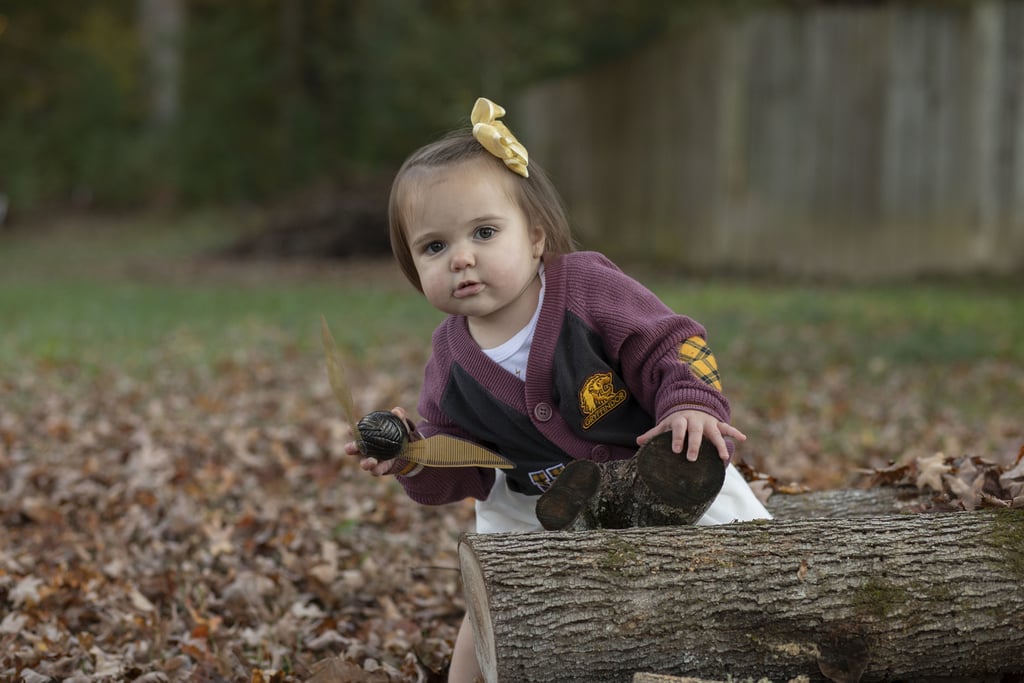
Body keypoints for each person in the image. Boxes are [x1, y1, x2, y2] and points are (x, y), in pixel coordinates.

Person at [344, 97, 770, 682]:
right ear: (412, 265)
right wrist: (413, 457)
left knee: (741, 557)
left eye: (485, 232)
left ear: (536, 237)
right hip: (533, 502)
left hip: (654, 467)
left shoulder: (588, 288)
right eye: (434, 247)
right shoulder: (451, 359)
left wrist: (690, 404)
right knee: (489, 604)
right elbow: (464, 467)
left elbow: (671, 343)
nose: (462, 259)